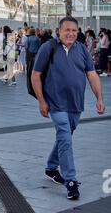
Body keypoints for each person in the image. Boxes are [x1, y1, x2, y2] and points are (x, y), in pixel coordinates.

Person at [31, 17, 105, 200]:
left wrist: (99, 98)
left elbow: (92, 74)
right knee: (65, 136)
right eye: (67, 30)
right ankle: (71, 181)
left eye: (74, 30)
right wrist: (41, 101)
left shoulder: (82, 49)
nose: (71, 33)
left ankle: (50, 167)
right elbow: (35, 75)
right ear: (59, 31)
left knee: (65, 137)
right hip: (55, 104)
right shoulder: (48, 47)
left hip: (75, 104)